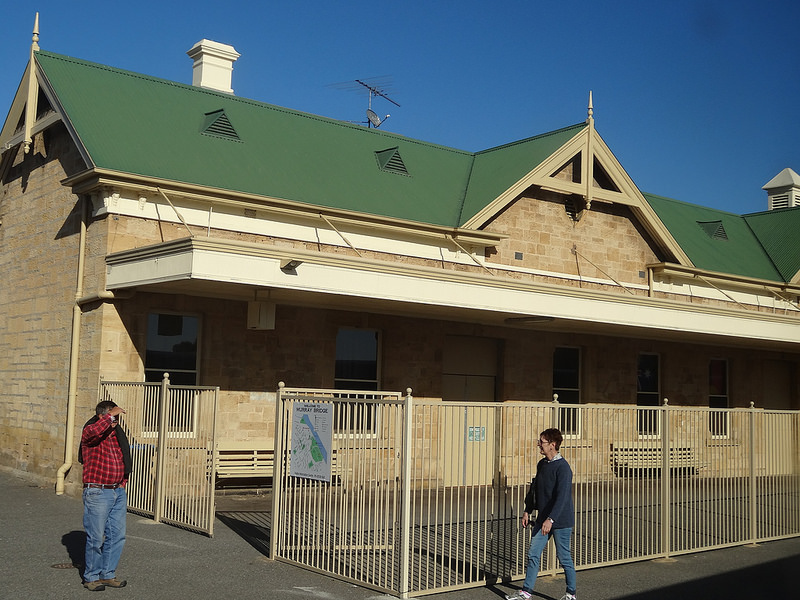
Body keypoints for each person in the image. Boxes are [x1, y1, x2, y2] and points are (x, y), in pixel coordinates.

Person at [506, 428, 577, 600]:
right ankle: (526, 592)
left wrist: (551, 519)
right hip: (542, 520)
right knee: (533, 554)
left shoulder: (563, 468)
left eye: (542, 442)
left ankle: (571, 594)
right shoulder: (542, 464)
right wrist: (527, 510)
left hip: (560, 520)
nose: (539, 444)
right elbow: (535, 490)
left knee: (564, 557)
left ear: (553, 445)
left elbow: (562, 498)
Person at [79, 400, 131, 591]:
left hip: (117, 490)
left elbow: (122, 457)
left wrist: (122, 482)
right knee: (95, 537)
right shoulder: (91, 431)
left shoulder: (115, 434)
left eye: (116, 417)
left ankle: (108, 574)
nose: (115, 420)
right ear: (102, 416)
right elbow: (91, 434)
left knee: (117, 535)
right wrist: (109, 416)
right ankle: (91, 577)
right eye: (112, 416)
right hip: (97, 491)